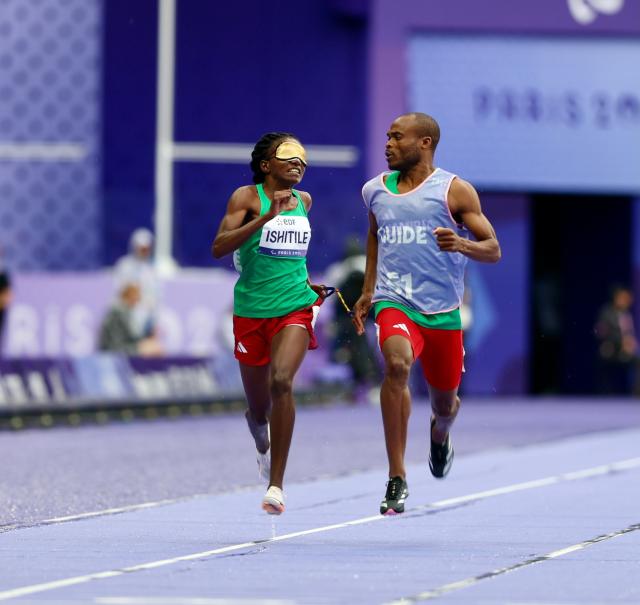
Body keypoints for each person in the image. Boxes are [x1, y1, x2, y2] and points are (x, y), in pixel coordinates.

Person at [352, 112, 501, 515]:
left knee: (444, 405)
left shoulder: (454, 192)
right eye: (386, 136)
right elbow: (374, 233)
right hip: (394, 301)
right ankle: (397, 476)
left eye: (397, 137)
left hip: (443, 312)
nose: (388, 144)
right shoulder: (375, 191)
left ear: (425, 143)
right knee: (396, 366)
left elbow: (493, 248)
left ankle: (440, 435)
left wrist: (461, 245)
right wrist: (369, 291)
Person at [212, 132, 326, 515]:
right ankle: (261, 437)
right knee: (259, 409)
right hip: (251, 312)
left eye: (303, 157)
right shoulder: (246, 198)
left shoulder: (304, 202)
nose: (299, 162)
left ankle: (276, 485)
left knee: (282, 382)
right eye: (289, 156)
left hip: (294, 306)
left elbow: (290, 256)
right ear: (266, 166)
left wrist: (308, 284)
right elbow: (219, 247)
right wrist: (265, 218)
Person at [114, 228, 160, 339]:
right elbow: (120, 292)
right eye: (141, 248)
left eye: (146, 249)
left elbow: (155, 297)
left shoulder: (152, 270)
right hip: (126, 316)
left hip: (146, 318)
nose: (144, 252)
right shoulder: (124, 266)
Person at [98, 283, 164, 357]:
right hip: (112, 351)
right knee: (153, 349)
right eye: (137, 296)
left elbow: (131, 337)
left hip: (118, 348)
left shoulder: (123, 311)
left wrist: (147, 336)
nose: (138, 300)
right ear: (130, 296)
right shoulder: (118, 313)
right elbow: (116, 345)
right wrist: (140, 347)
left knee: (153, 346)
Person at [594, 285, 637, 395]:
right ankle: (604, 391)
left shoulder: (627, 314)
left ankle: (636, 391)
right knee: (604, 355)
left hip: (624, 350)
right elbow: (600, 331)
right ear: (617, 298)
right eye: (623, 298)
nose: (626, 301)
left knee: (638, 359)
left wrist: (630, 343)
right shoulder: (606, 312)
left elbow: (629, 333)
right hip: (611, 347)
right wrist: (619, 341)